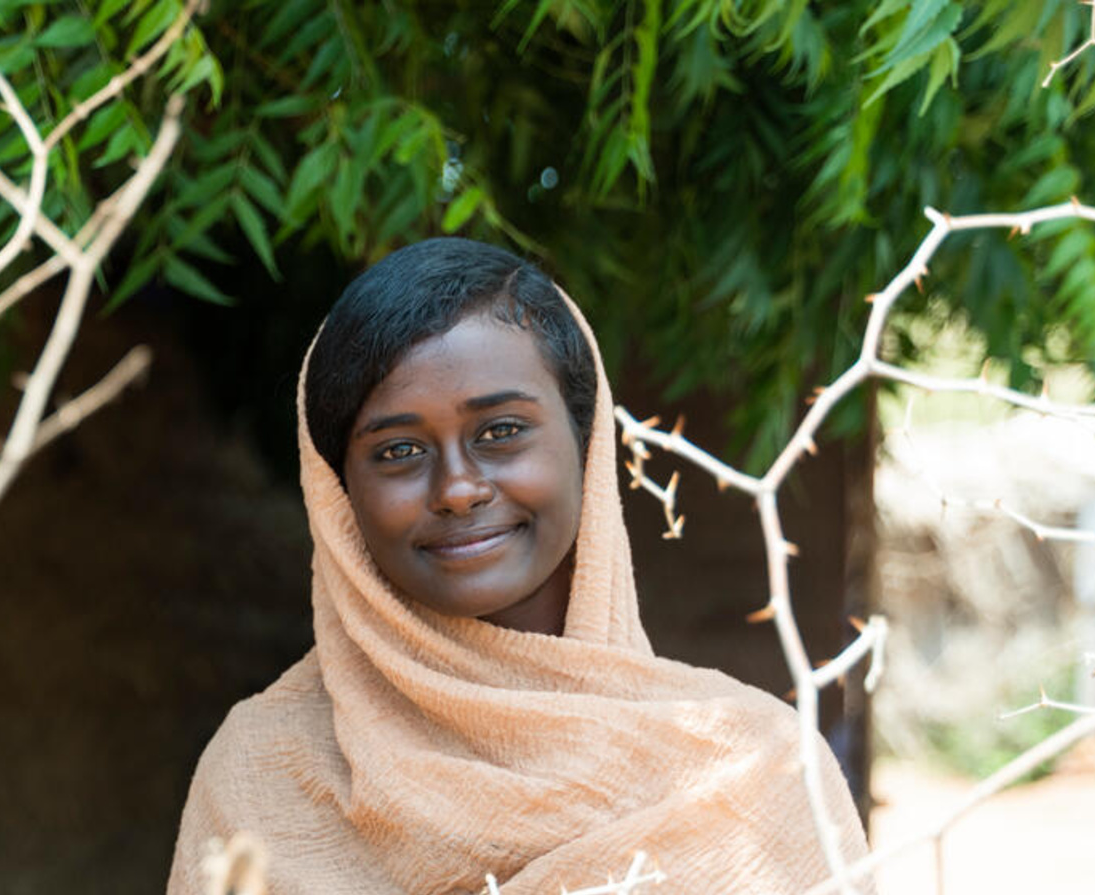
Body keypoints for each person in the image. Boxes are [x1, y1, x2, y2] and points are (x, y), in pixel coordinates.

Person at [168, 238, 868, 893]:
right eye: (398, 451)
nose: (457, 488)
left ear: (585, 441)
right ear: (338, 492)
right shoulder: (261, 777)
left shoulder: (759, 776)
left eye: (500, 432)